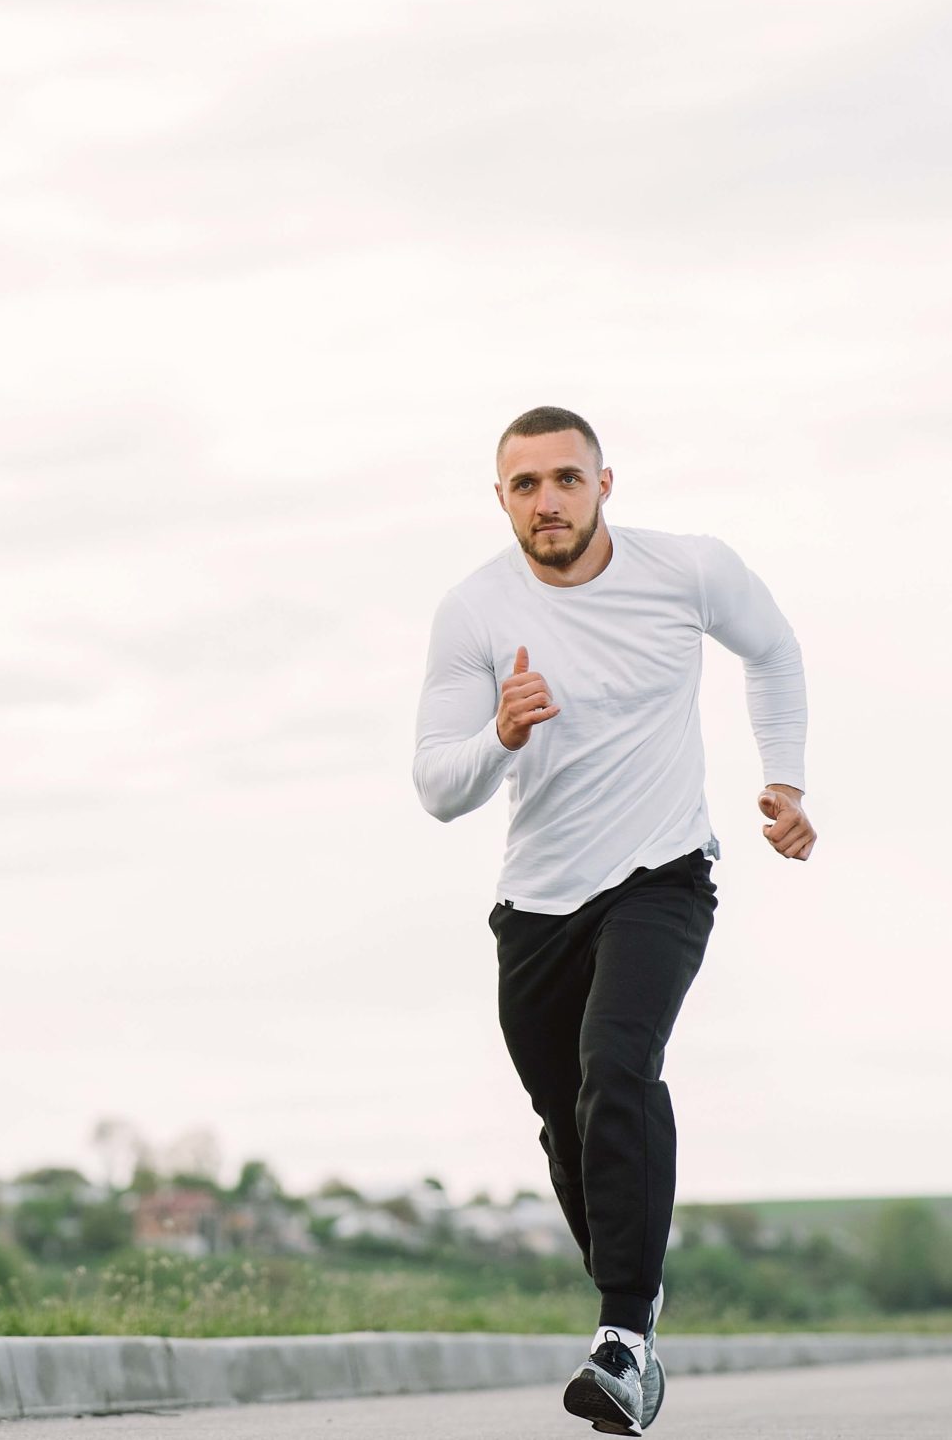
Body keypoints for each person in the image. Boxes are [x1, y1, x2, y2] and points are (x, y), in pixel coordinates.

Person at [411, 405, 814, 1435]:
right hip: (535, 905)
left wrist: (785, 782)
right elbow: (436, 787)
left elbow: (770, 649)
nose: (547, 501)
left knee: (617, 1068)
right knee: (568, 1123)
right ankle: (634, 1290)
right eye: (524, 485)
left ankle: (623, 1335)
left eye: (565, 479)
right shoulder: (473, 612)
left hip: (660, 877)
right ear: (501, 500)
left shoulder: (685, 570)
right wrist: (501, 734)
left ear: (603, 484)